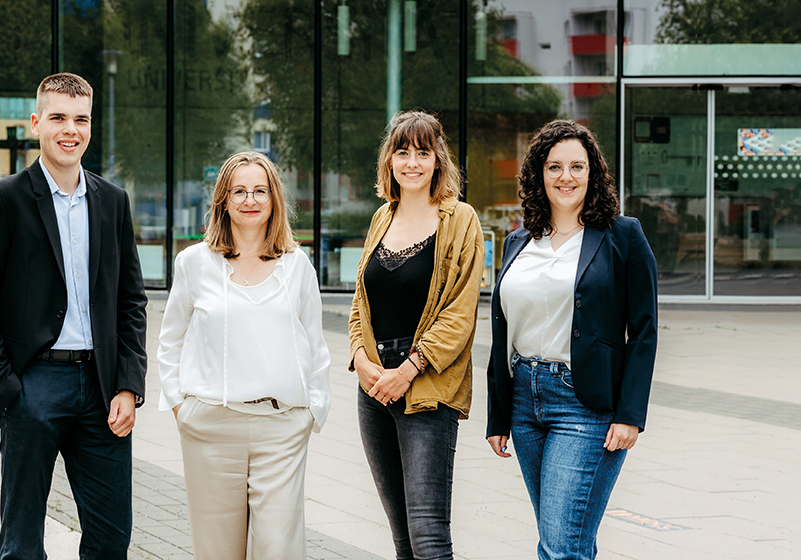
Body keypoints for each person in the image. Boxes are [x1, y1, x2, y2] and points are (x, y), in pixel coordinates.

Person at [0, 73, 148, 560]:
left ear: (90, 126)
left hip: (102, 389)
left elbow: (131, 300)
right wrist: (8, 392)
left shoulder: (112, 201)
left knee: (110, 538)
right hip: (33, 385)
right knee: (21, 544)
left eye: (80, 119)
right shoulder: (3, 199)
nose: (70, 129)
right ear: (37, 122)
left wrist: (128, 383)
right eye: (58, 117)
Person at [485, 119, 658, 560]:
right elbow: (503, 327)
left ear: (592, 173)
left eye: (577, 167)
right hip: (525, 401)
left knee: (561, 546)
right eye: (555, 166)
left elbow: (644, 330)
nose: (566, 177)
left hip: (585, 404)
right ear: (538, 174)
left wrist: (631, 414)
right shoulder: (518, 241)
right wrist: (498, 414)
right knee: (565, 540)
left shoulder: (622, 236)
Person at [156, 151, 331, 560]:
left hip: (281, 429)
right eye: (239, 191)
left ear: (274, 200)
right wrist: (181, 407)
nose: (249, 200)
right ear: (223, 200)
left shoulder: (296, 265)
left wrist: (313, 411)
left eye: (259, 190)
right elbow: (170, 340)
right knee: (217, 553)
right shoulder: (193, 263)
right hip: (211, 428)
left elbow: (316, 345)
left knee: (279, 551)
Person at [348, 111, 485, 560]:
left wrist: (406, 370)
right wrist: (362, 361)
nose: (412, 162)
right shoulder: (380, 220)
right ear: (389, 160)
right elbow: (360, 305)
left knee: (428, 536)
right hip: (374, 390)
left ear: (437, 161)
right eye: (402, 152)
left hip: (424, 385)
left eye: (422, 152)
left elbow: (459, 315)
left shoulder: (460, 220)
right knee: (402, 537)